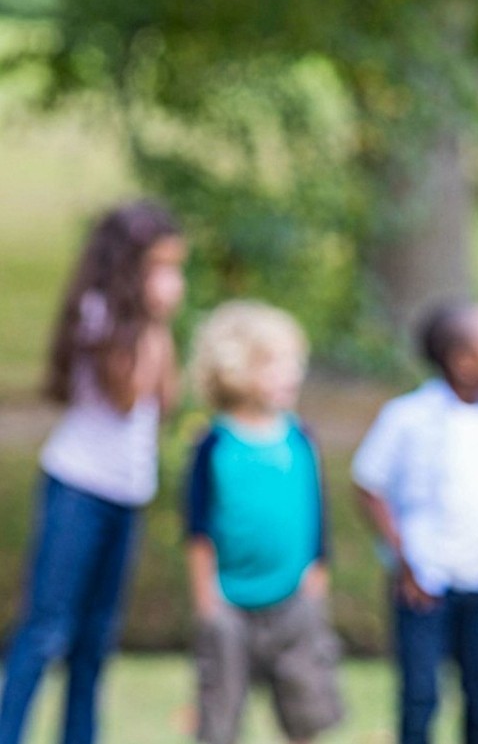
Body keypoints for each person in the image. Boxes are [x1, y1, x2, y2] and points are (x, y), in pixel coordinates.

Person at [0, 201, 187, 744]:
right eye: (163, 266)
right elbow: (128, 397)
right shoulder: (98, 312)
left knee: (96, 638)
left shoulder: (149, 327)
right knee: (46, 628)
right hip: (78, 487)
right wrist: (152, 321)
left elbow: (166, 398)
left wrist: (161, 326)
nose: (173, 279)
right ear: (132, 266)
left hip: (128, 493)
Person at [351, 300, 478, 744]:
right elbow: (368, 483)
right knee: (419, 694)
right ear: (465, 362)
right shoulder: (408, 417)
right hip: (425, 584)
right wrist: (403, 557)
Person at [183, 300, 343, 744]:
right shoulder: (213, 444)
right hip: (229, 601)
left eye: (294, 362)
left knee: (306, 705)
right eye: (273, 363)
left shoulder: (300, 437)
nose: (290, 374)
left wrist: (318, 572)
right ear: (235, 367)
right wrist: (207, 602)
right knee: (220, 711)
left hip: (295, 595)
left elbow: (317, 508)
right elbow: (198, 529)